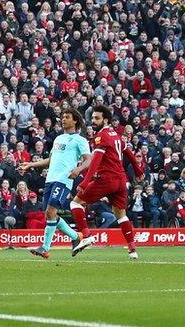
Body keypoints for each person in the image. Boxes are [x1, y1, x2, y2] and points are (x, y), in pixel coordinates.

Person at [70, 105, 144, 259]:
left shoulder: (101, 136)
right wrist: (138, 171)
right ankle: (132, 250)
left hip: (107, 179)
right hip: (120, 180)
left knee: (75, 203)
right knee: (121, 215)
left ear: (106, 120)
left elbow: (95, 161)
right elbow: (128, 152)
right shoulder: (115, 135)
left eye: (97, 118)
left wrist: (85, 181)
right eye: (92, 118)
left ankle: (87, 235)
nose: (93, 121)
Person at [19, 108, 91, 259]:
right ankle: (75, 237)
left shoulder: (80, 140)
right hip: (50, 179)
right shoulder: (58, 139)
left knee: (51, 212)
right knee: (49, 215)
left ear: (75, 120)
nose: (63, 119)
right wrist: (30, 165)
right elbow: (51, 160)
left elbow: (88, 159)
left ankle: (45, 248)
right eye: (62, 117)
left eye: (67, 117)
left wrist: (78, 169)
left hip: (64, 179)